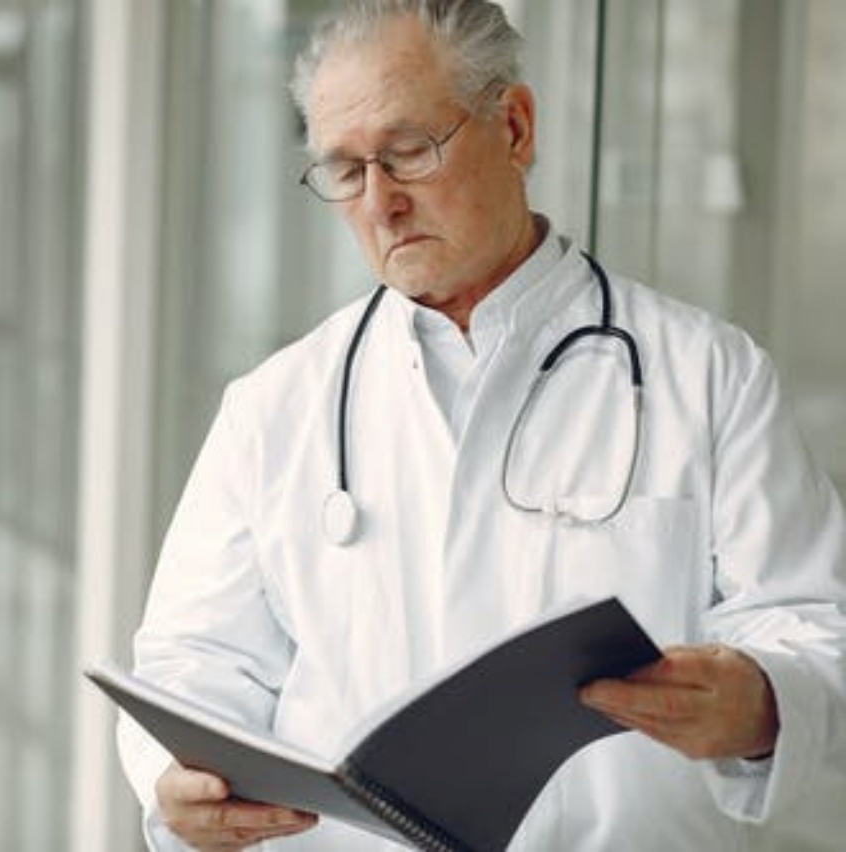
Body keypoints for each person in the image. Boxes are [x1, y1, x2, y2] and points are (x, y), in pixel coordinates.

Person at [116, 1, 846, 849]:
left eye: (408, 152)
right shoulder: (274, 406)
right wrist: (178, 782)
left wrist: (759, 702)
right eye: (346, 170)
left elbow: (815, 627)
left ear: (515, 126)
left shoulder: (709, 376)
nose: (380, 203)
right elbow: (192, 663)